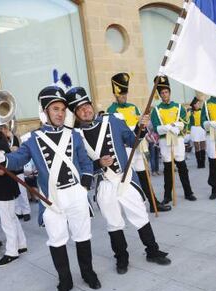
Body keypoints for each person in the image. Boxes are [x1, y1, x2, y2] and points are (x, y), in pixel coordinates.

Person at [0, 85, 101, 291]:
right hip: (50, 199)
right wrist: (1, 157)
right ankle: (65, 281)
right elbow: (17, 160)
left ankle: (88, 273)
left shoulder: (75, 135)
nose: (61, 113)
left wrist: (84, 185)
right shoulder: (32, 139)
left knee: (82, 236)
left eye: (63, 109)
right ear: (45, 111)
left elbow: (85, 162)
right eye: (55, 109)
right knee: (57, 240)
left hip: (76, 194)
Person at [66, 86, 171, 274]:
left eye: (87, 105)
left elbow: (133, 141)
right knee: (114, 223)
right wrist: (98, 163)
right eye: (80, 109)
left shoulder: (112, 120)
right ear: (76, 114)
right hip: (105, 183)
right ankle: (121, 258)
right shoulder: (75, 137)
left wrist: (141, 126)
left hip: (125, 178)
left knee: (140, 215)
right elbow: (79, 166)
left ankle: (152, 251)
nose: (86, 110)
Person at [108, 73, 170, 212]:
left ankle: (154, 203)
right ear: (115, 94)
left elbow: (139, 125)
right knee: (128, 179)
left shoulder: (133, 107)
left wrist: (143, 123)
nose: (124, 97)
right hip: (125, 149)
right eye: (122, 94)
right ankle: (132, 205)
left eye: (126, 94)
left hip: (138, 147)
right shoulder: (111, 111)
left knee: (144, 176)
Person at [151, 76, 197, 204]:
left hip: (178, 140)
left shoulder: (179, 107)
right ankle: (167, 196)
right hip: (165, 142)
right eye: (162, 93)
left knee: (182, 167)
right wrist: (170, 127)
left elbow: (184, 123)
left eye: (166, 92)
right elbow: (156, 128)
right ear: (160, 95)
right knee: (167, 170)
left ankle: (188, 192)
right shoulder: (156, 110)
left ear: (170, 93)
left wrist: (174, 127)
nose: (165, 94)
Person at [0, 121, 27, 266]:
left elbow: (1, 171)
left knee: (7, 221)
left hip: (3, 188)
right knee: (11, 218)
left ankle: (12, 252)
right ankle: (21, 244)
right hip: (2, 187)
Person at [0, 124, 31, 221]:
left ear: (6, 129)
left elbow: (17, 150)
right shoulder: (1, 141)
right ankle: (18, 211)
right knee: (15, 192)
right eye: (0, 129)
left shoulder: (15, 138)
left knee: (22, 192)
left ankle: (26, 211)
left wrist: (12, 138)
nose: (2, 131)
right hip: (9, 171)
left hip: (18, 170)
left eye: (3, 129)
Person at [188, 97, 206, 169]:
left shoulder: (202, 111)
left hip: (201, 128)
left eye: (199, 103)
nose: (198, 105)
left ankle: (203, 162)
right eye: (197, 103)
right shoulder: (190, 112)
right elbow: (187, 121)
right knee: (196, 146)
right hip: (194, 129)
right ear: (194, 105)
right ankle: (199, 162)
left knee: (202, 145)